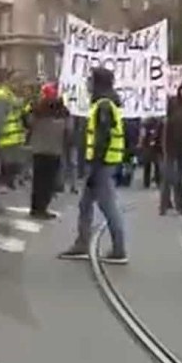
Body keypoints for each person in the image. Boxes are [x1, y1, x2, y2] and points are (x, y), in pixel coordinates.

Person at [58, 67, 128, 264]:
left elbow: (101, 139)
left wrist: (94, 168)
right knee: (86, 204)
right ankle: (82, 244)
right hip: (103, 162)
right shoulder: (104, 103)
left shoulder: (103, 105)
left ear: (98, 82)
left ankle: (119, 249)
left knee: (107, 205)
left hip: (102, 164)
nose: (87, 84)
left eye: (90, 80)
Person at [26, 82, 70, 219]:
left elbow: (29, 123)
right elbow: (69, 129)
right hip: (54, 149)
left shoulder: (37, 109)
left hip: (39, 148)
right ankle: (42, 208)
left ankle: (35, 207)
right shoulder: (63, 111)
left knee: (38, 180)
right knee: (48, 182)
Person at [160, 79, 182, 215]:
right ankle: (164, 204)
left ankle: (180, 204)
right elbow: (165, 120)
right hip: (169, 144)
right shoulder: (172, 103)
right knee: (168, 176)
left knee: (179, 178)